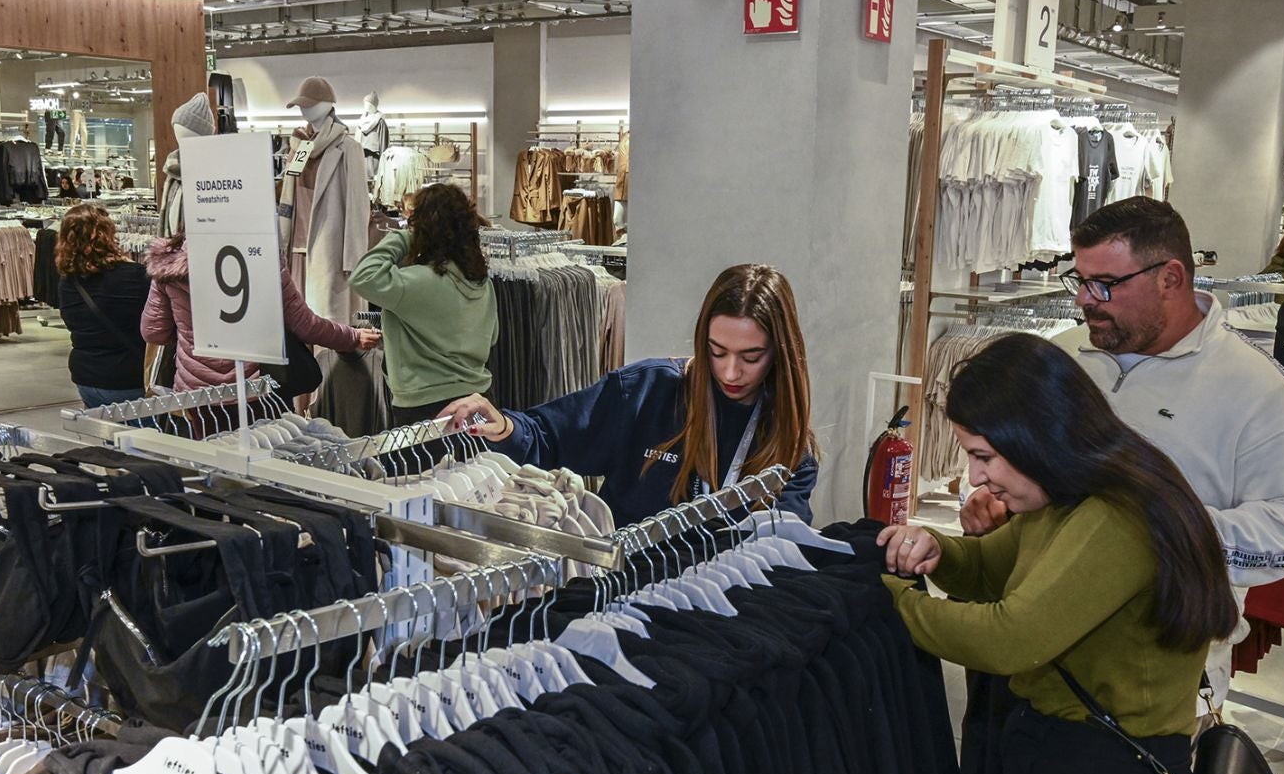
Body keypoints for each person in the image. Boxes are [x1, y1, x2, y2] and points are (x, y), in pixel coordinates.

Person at [878, 331, 1237, 774]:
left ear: (1036, 435)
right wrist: (935, 549)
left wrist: (886, 602)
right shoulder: (1069, 498)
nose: (978, 479)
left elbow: (1011, 635)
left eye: (984, 456)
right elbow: (988, 570)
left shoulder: (1116, 517)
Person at [964, 196, 1284, 702]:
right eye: (1079, 281)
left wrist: (1158, 531)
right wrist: (1002, 506)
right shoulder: (1065, 356)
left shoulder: (1256, 388)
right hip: (1027, 645)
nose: (1084, 300)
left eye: (1105, 285)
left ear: (1171, 278)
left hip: (1157, 678)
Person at [440, 262, 817, 525]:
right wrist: (504, 425)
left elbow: (781, 552)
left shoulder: (791, 448)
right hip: (624, 604)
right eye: (717, 352)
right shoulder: (647, 391)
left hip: (720, 616)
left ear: (780, 354)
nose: (730, 372)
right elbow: (550, 434)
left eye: (751, 357)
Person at [141, 235, 380, 392]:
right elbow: (305, 325)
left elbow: (153, 332)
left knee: (209, 461)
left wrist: (191, 337)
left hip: (196, 392)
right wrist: (353, 337)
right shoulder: (260, 257)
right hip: (257, 387)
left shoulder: (168, 263)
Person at [348, 183, 498, 423]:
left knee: (428, 463)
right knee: (477, 462)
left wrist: (404, 237)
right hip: (478, 399)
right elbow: (491, 338)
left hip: (426, 404)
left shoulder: (416, 282)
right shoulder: (480, 281)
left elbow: (363, 275)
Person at [53, 203, 151, 408]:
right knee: (147, 437)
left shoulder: (67, 282)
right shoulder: (134, 276)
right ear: (107, 234)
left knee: (109, 435)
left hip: (87, 377)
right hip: (129, 376)